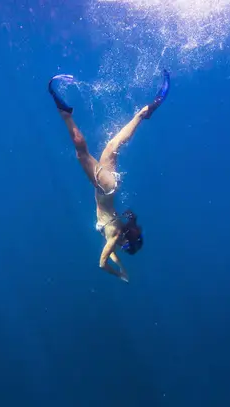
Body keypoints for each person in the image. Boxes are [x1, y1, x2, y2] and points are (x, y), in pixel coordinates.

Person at [48, 70, 170, 282]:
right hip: (104, 187)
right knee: (81, 152)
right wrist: (120, 273)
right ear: (124, 242)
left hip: (112, 183)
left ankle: (142, 114)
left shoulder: (116, 236)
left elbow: (111, 252)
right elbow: (102, 263)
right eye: (124, 248)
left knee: (113, 145)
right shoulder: (114, 237)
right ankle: (65, 114)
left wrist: (121, 264)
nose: (119, 249)